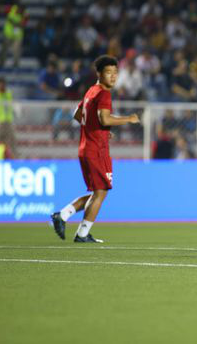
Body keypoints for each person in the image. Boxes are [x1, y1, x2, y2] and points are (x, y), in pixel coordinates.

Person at [50, 55, 140, 243]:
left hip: (85, 147)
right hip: (96, 150)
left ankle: (66, 216)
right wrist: (128, 119)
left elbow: (77, 114)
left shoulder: (91, 91)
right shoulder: (104, 94)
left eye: (116, 73)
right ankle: (80, 231)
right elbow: (105, 119)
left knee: (97, 192)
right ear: (99, 74)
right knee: (101, 192)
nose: (113, 76)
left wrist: (100, 130)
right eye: (109, 73)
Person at [0, 0, 27, 68]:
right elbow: (2, 10)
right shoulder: (12, 8)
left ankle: (16, 65)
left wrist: (13, 23)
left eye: (22, 10)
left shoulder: (25, 14)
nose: (20, 11)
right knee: (4, 49)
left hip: (17, 36)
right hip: (8, 34)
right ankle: (1, 64)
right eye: (19, 9)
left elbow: (23, 25)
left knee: (16, 50)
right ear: (17, 8)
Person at [0, 77, 17, 158]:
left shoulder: (8, 94)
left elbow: (11, 106)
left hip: (9, 121)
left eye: (3, 84)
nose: (2, 86)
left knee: (11, 141)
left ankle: (14, 158)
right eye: (0, 84)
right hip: (0, 121)